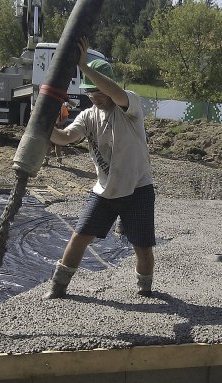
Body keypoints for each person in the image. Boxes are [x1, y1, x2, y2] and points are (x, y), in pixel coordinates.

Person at [43, 36, 155, 299]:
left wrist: (84, 67)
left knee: (142, 246)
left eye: (98, 90)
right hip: (104, 192)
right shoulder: (88, 115)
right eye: (89, 91)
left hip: (138, 188)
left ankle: (145, 290)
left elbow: (115, 93)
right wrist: (46, 127)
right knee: (80, 236)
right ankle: (58, 287)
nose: (95, 96)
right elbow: (66, 137)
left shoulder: (130, 106)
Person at [43, 102, 69, 166]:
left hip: (58, 127)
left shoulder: (62, 106)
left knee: (58, 144)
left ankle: (59, 161)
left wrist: (61, 123)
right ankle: (46, 160)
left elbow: (66, 117)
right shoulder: (48, 105)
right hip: (49, 126)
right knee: (48, 144)